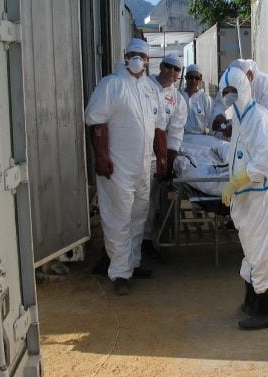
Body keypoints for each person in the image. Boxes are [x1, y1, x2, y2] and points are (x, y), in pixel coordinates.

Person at [85, 38, 168, 295]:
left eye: (141, 56)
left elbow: (159, 126)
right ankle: (119, 273)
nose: (137, 59)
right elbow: (96, 122)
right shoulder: (112, 84)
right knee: (117, 219)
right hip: (117, 168)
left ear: (147, 60)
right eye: (132, 54)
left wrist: (162, 159)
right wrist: (101, 158)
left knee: (138, 216)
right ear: (125, 56)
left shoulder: (150, 89)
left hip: (142, 167)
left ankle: (132, 263)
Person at [220, 66, 268, 330]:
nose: (229, 97)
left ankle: (267, 313)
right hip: (247, 200)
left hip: (262, 199)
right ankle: (252, 302)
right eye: (225, 92)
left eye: (233, 91)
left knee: (264, 254)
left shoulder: (259, 119)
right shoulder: (239, 116)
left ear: (245, 90)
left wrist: (237, 180)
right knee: (251, 253)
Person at [140, 53, 188, 258]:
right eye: (169, 67)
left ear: (179, 75)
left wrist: (167, 162)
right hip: (135, 152)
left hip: (157, 156)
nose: (172, 72)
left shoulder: (177, 99)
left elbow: (176, 131)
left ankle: (146, 241)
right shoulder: (144, 86)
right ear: (161, 66)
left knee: (150, 202)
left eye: (177, 69)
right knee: (133, 203)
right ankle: (122, 248)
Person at [180, 64, 213, 135]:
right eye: (191, 77)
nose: (193, 80)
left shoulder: (205, 98)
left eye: (197, 78)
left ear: (200, 80)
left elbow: (212, 121)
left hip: (200, 139)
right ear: (186, 78)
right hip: (181, 138)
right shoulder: (178, 96)